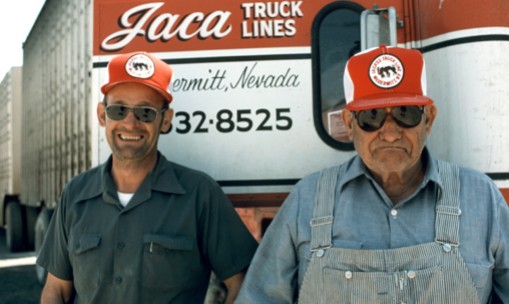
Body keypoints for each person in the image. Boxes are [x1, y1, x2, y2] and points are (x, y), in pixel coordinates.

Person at [235, 45, 509, 303]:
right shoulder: (307, 200)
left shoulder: (480, 198)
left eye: (406, 113)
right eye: (372, 117)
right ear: (349, 124)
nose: (390, 133)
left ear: (429, 119)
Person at [37, 51, 258, 304]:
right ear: (102, 115)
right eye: (118, 110)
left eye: (145, 112)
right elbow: (56, 290)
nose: (130, 124)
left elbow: (244, 281)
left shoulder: (200, 195)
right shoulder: (75, 195)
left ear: (165, 120)